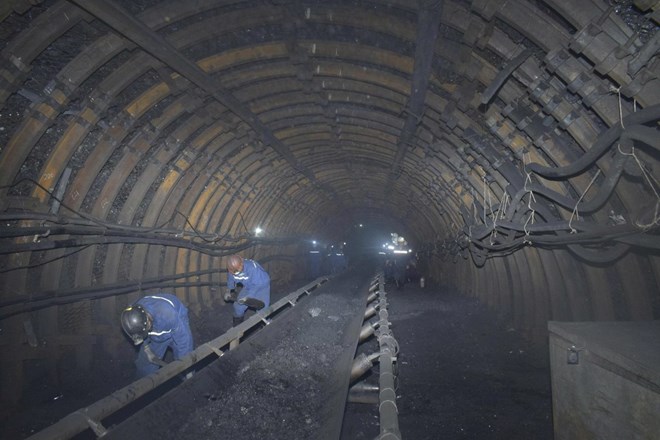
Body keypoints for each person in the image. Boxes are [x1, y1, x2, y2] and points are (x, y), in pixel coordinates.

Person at [120, 293, 194, 379]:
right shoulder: (132, 315)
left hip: (175, 319)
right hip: (155, 326)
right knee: (145, 364)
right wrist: (147, 350)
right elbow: (141, 336)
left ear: (147, 320)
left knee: (182, 361)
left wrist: (187, 365)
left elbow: (184, 341)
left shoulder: (167, 315)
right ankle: (145, 383)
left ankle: (188, 382)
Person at [224, 254, 270, 326]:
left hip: (261, 285)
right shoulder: (232, 269)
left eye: (238, 269)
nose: (236, 272)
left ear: (242, 262)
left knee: (263, 309)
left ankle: (266, 325)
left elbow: (256, 286)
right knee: (238, 306)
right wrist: (228, 290)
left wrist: (248, 297)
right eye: (235, 271)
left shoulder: (252, 268)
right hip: (249, 286)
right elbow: (231, 279)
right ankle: (237, 327)